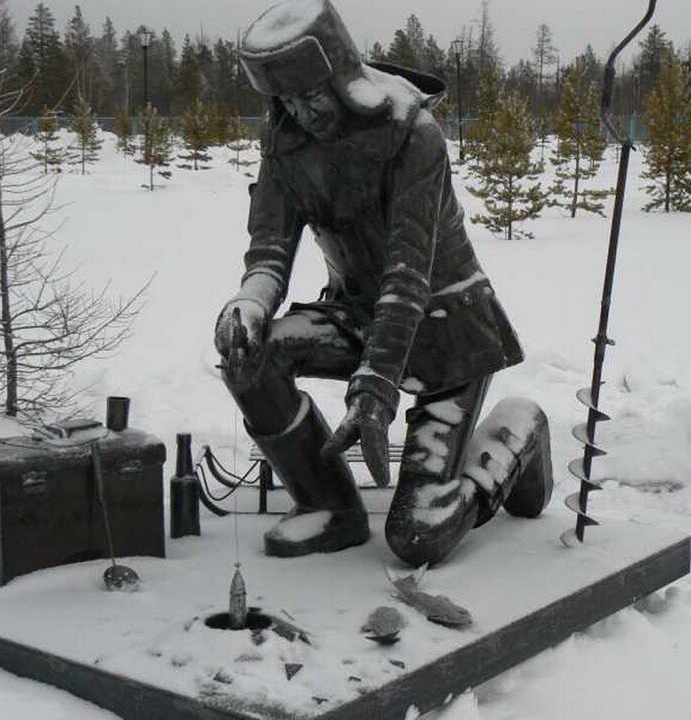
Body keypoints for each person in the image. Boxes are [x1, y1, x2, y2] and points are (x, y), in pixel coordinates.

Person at [215, 0, 551, 566]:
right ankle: (330, 508)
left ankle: (517, 434)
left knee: (417, 537)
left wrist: (375, 388)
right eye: (287, 101)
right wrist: (249, 303)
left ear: (341, 75)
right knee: (250, 356)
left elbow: (407, 273)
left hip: (448, 333)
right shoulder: (286, 147)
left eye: (311, 95)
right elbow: (271, 248)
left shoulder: (411, 134)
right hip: (357, 316)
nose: (302, 112)